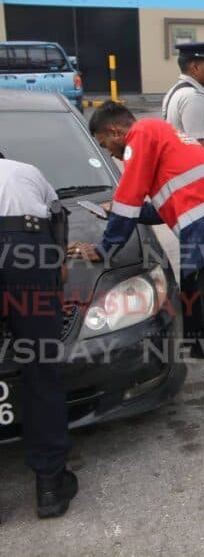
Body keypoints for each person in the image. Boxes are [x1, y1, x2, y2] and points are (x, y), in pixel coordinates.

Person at [68, 103, 204, 434]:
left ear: (116, 132)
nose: (114, 156)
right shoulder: (163, 134)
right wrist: (121, 213)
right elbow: (171, 205)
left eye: (107, 147)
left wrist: (106, 248)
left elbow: (129, 196)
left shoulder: (140, 136)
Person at [0, 150, 77, 518]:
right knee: (41, 369)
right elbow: (58, 215)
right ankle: (50, 487)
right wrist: (59, 259)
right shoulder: (25, 170)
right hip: (28, 251)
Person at [163, 42, 204, 169]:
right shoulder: (194, 98)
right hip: (203, 175)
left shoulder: (175, 90)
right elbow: (199, 151)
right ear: (195, 68)